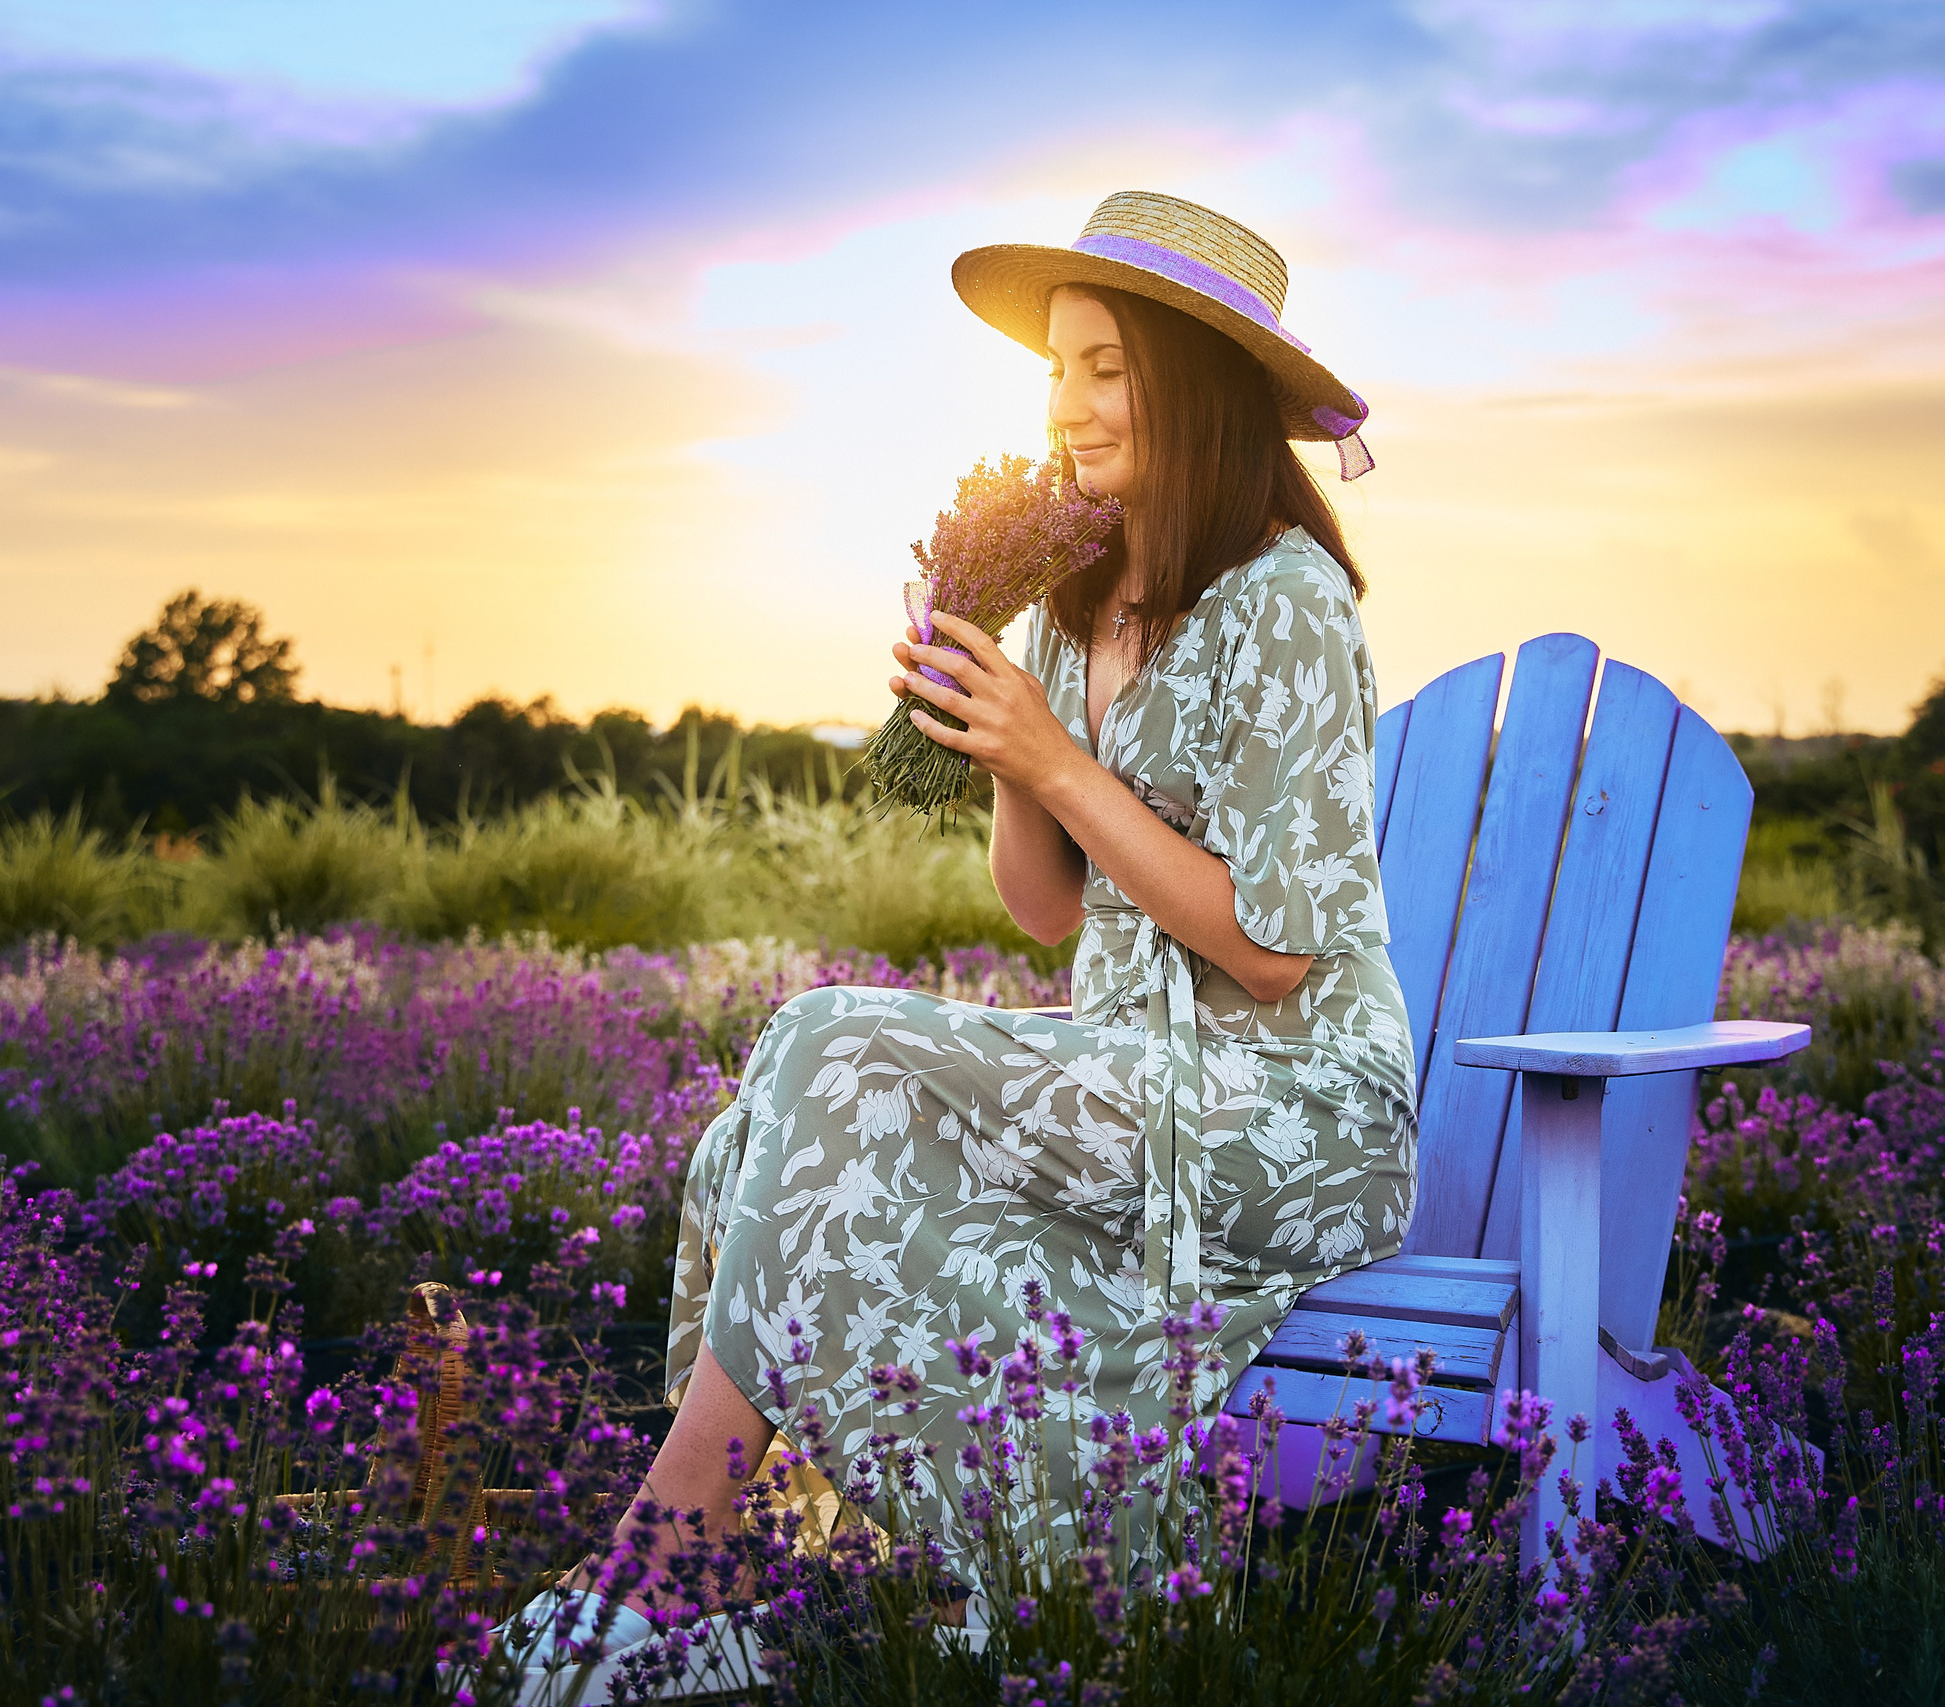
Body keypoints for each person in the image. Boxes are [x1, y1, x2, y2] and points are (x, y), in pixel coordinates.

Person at [510, 189, 1418, 1672]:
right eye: (1057, 366)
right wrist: (1001, 732)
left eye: (1106, 365)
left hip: (1300, 1112)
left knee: (828, 1041)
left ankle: (665, 1572)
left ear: (1193, 384)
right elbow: (1051, 908)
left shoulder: (1288, 602)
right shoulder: (1079, 598)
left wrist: (1059, 757)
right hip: (1138, 1075)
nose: (1068, 402)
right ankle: (792, 1569)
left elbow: (1274, 951)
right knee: (748, 1138)